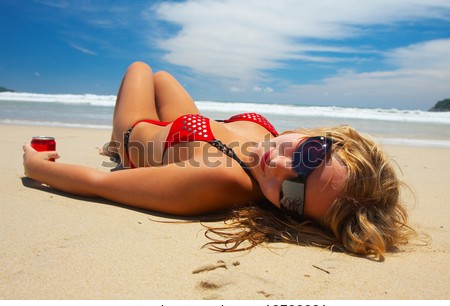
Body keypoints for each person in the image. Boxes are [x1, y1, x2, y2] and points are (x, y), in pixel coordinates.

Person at [23, 61, 415, 261]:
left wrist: (38, 168)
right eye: (309, 155)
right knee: (163, 75)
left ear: (293, 215)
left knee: (140, 69)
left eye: (292, 194)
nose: (278, 166)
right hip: (192, 130)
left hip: (137, 136)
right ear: (327, 137)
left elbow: (100, 184)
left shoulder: (224, 179)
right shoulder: (271, 148)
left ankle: (114, 144)